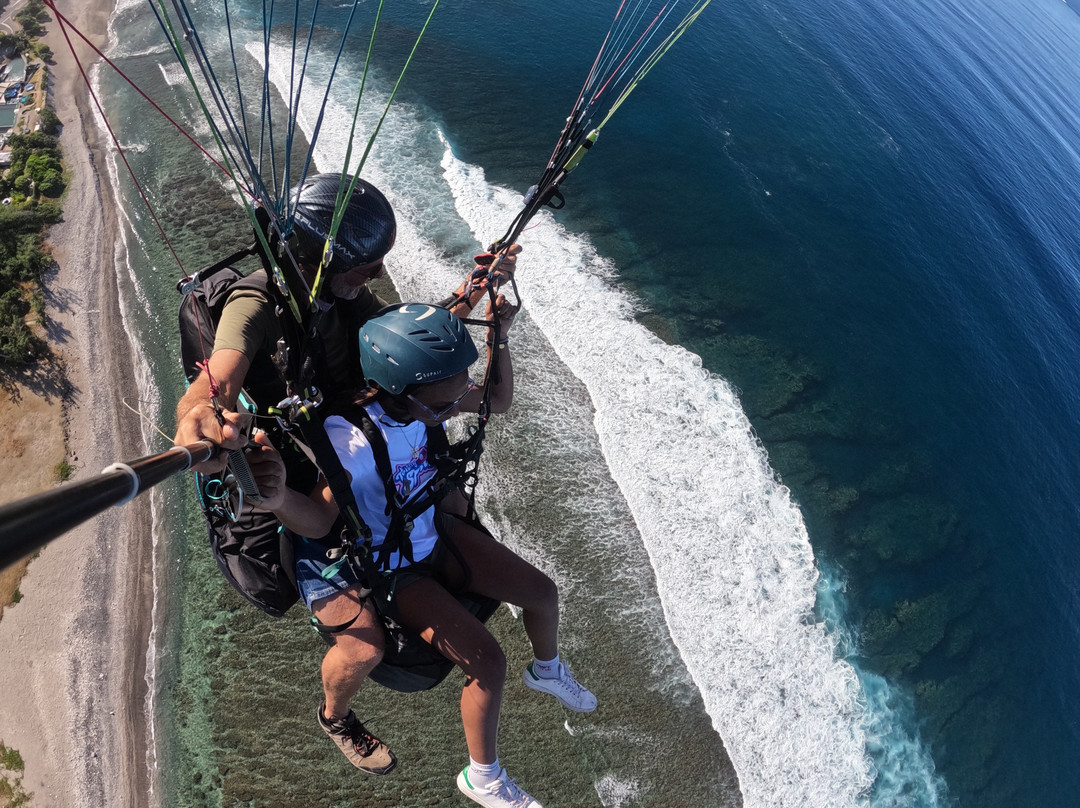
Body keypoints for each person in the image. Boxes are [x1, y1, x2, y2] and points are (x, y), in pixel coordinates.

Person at [173, 171, 518, 776]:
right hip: (306, 463)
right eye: (365, 266)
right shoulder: (255, 303)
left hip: (360, 432)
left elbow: (398, 337)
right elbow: (218, 377)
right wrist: (199, 413)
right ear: (316, 258)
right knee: (363, 646)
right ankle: (334, 715)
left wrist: (474, 293)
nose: (376, 277)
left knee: (450, 513)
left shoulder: (345, 296)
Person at [247, 302, 597, 808]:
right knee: (488, 663)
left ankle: (546, 670)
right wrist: (279, 500)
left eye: (454, 397)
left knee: (542, 593)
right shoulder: (348, 444)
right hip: (396, 567)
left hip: (434, 531)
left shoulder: (425, 401)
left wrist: (498, 333)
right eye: (444, 404)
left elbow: (494, 399)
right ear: (401, 392)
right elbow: (321, 521)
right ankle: (484, 777)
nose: (454, 407)